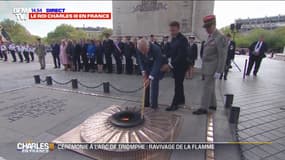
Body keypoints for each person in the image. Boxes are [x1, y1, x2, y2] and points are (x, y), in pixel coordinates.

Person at [192, 15, 227, 115]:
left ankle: (204, 108)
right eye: (206, 27)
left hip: (213, 68)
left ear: (214, 25)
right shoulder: (211, 36)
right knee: (210, 86)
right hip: (208, 67)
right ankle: (213, 104)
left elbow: (222, 56)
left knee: (206, 87)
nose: (206, 29)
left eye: (208, 27)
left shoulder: (220, 37)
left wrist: (219, 71)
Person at [160, 21, 189, 111]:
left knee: (178, 85)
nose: (172, 32)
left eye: (174, 30)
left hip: (181, 66)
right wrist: (164, 56)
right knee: (179, 84)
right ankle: (181, 100)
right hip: (175, 66)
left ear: (178, 29)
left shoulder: (183, 39)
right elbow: (171, 52)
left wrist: (170, 65)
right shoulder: (173, 39)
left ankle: (174, 104)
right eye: (171, 30)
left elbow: (181, 55)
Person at [137, 38, 163, 109]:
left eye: (144, 51)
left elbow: (157, 64)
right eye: (141, 51)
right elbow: (140, 60)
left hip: (155, 69)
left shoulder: (156, 49)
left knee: (154, 86)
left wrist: (150, 77)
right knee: (145, 85)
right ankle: (146, 103)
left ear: (148, 46)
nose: (143, 53)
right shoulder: (139, 48)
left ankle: (154, 106)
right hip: (146, 67)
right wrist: (143, 72)